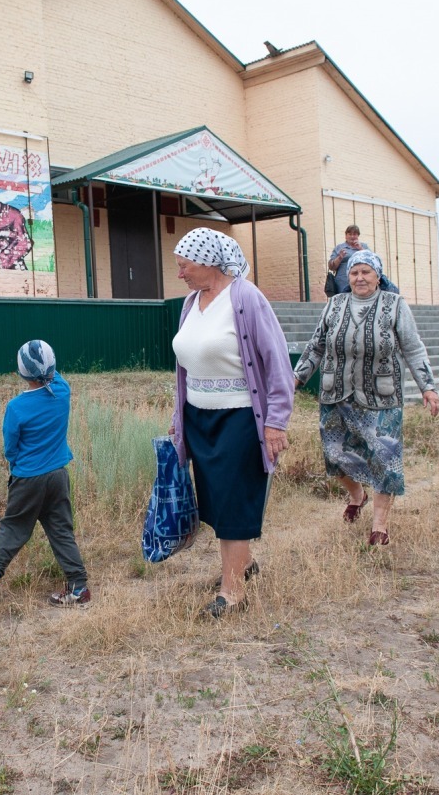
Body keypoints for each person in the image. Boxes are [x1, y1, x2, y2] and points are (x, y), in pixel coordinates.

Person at [169, 227, 294, 619]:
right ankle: (243, 564)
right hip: (198, 419)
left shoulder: (245, 297)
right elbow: (184, 369)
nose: (180, 274)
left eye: (184, 265)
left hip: (239, 419)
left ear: (207, 261)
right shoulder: (190, 302)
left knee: (234, 503)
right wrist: (179, 420)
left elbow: (277, 364)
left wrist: (276, 423)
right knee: (217, 504)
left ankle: (232, 592)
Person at [293, 250, 439, 546]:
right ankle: (357, 495)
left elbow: (413, 348)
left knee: (384, 459)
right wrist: (295, 379)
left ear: (378, 276)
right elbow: (316, 346)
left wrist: (427, 386)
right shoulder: (335, 305)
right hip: (336, 393)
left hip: (381, 397)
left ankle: (379, 527)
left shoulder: (394, 304)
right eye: (354, 273)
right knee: (335, 457)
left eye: (366, 272)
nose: (359, 277)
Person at [0, 340, 91, 608]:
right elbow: (52, 373)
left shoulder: (16, 407)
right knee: (61, 531)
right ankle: (79, 587)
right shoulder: (62, 391)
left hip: (27, 478)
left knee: (13, 528)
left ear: (21, 373)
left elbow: (10, 448)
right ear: (53, 367)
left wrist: (18, 467)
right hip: (57, 477)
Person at [327, 225, 370, 295]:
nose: (352, 237)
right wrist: (340, 257)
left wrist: (361, 249)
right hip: (343, 281)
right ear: (346, 236)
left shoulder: (364, 246)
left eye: (354, 234)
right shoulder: (339, 247)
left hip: (359, 280)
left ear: (358, 236)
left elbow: (372, 261)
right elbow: (331, 267)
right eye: (350, 234)